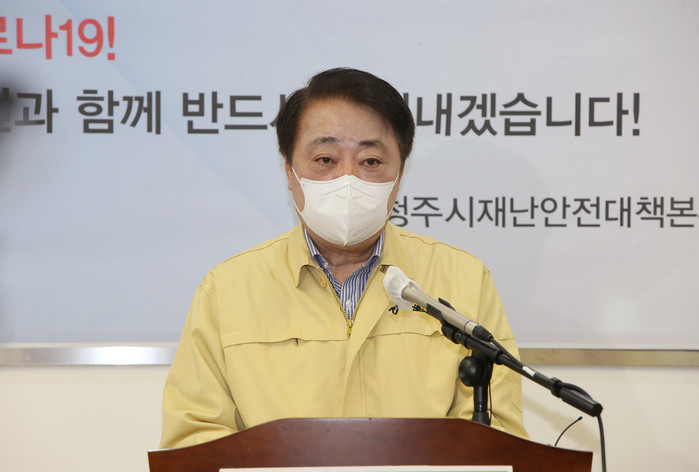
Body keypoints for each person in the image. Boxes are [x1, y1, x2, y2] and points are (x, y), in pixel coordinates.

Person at [160, 68, 528, 449]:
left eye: (370, 161)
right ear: (289, 171)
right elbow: (194, 441)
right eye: (325, 159)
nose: (348, 179)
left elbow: (496, 435)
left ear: (399, 175)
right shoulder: (227, 291)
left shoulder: (464, 280)